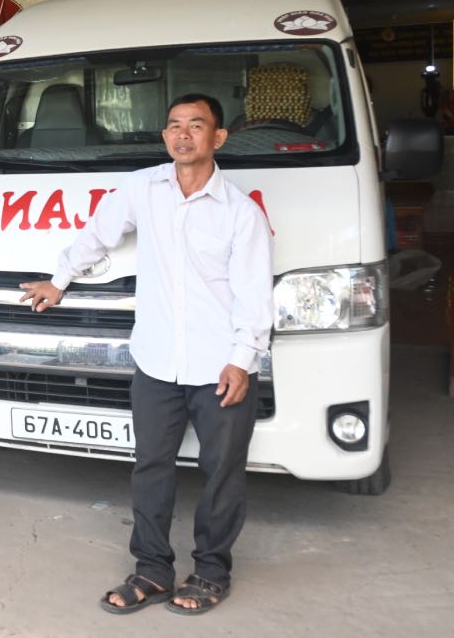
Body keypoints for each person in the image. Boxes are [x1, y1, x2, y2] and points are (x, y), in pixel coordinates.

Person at [19, 93, 273, 616]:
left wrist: (242, 359)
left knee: (222, 471)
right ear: (165, 137)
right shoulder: (142, 188)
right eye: (174, 125)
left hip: (218, 364)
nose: (183, 134)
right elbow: (98, 235)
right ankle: (153, 569)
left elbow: (254, 294)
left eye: (196, 125)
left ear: (218, 138)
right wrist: (60, 280)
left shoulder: (241, 214)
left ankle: (211, 572)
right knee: (151, 467)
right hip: (156, 361)